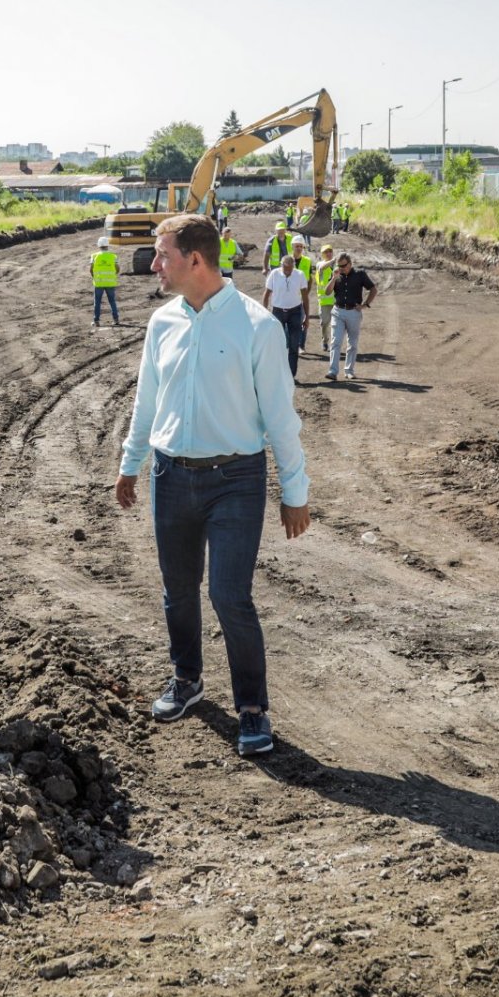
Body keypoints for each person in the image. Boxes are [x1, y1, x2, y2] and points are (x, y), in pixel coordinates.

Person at [115, 214, 309, 758]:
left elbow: (280, 417)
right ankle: (187, 680)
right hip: (171, 476)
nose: (154, 265)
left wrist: (295, 492)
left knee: (229, 594)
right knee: (177, 591)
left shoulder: (257, 327)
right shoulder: (161, 324)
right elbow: (146, 402)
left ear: (194, 260)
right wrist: (131, 464)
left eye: (162, 255)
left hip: (236, 482)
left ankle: (252, 708)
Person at [326, 251, 379, 382]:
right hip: (337, 311)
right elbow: (327, 292)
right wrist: (333, 278)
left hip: (353, 313)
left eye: (343, 266)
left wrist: (365, 304)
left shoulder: (360, 274)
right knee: (335, 342)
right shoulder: (336, 274)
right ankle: (332, 371)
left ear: (350, 264)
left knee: (352, 343)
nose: (341, 268)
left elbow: (373, 289)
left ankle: (349, 371)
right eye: (339, 266)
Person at [261, 252, 308, 379]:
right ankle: (278, 373)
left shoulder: (299, 275)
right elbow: (266, 294)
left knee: (294, 344)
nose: (288, 271)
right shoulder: (274, 274)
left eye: (290, 268)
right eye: (285, 268)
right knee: (278, 343)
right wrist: (264, 313)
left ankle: (291, 375)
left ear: (294, 266)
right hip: (278, 312)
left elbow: (305, 296)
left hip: (295, 312)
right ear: (281, 265)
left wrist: (307, 316)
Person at [288, 236, 316, 352]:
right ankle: (289, 344)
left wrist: (306, 294)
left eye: (301, 246)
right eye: (297, 246)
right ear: (292, 247)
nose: (299, 248)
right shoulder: (287, 260)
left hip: (301, 297)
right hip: (289, 297)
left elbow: (310, 279)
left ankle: (301, 345)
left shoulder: (307, 261)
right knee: (288, 322)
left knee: (303, 321)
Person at [91, 235, 121, 328]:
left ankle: (96, 321)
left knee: (97, 302)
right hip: (110, 283)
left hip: (99, 282)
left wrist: (95, 277)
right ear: (107, 245)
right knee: (112, 301)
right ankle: (116, 320)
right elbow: (117, 269)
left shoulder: (94, 256)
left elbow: (91, 269)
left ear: (99, 245)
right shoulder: (113, 256)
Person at [313, 245, 338, 357]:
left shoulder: (336, 267)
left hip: (336, 300)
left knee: (336, 324)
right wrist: (332, 261)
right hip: (324, 300)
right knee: (324, 323)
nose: (328, 254)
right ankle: (325, 340)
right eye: (326, 252)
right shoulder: (320, 264)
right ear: (322, 254)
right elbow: (322, 267)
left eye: (330, 252)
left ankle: (333, 344)